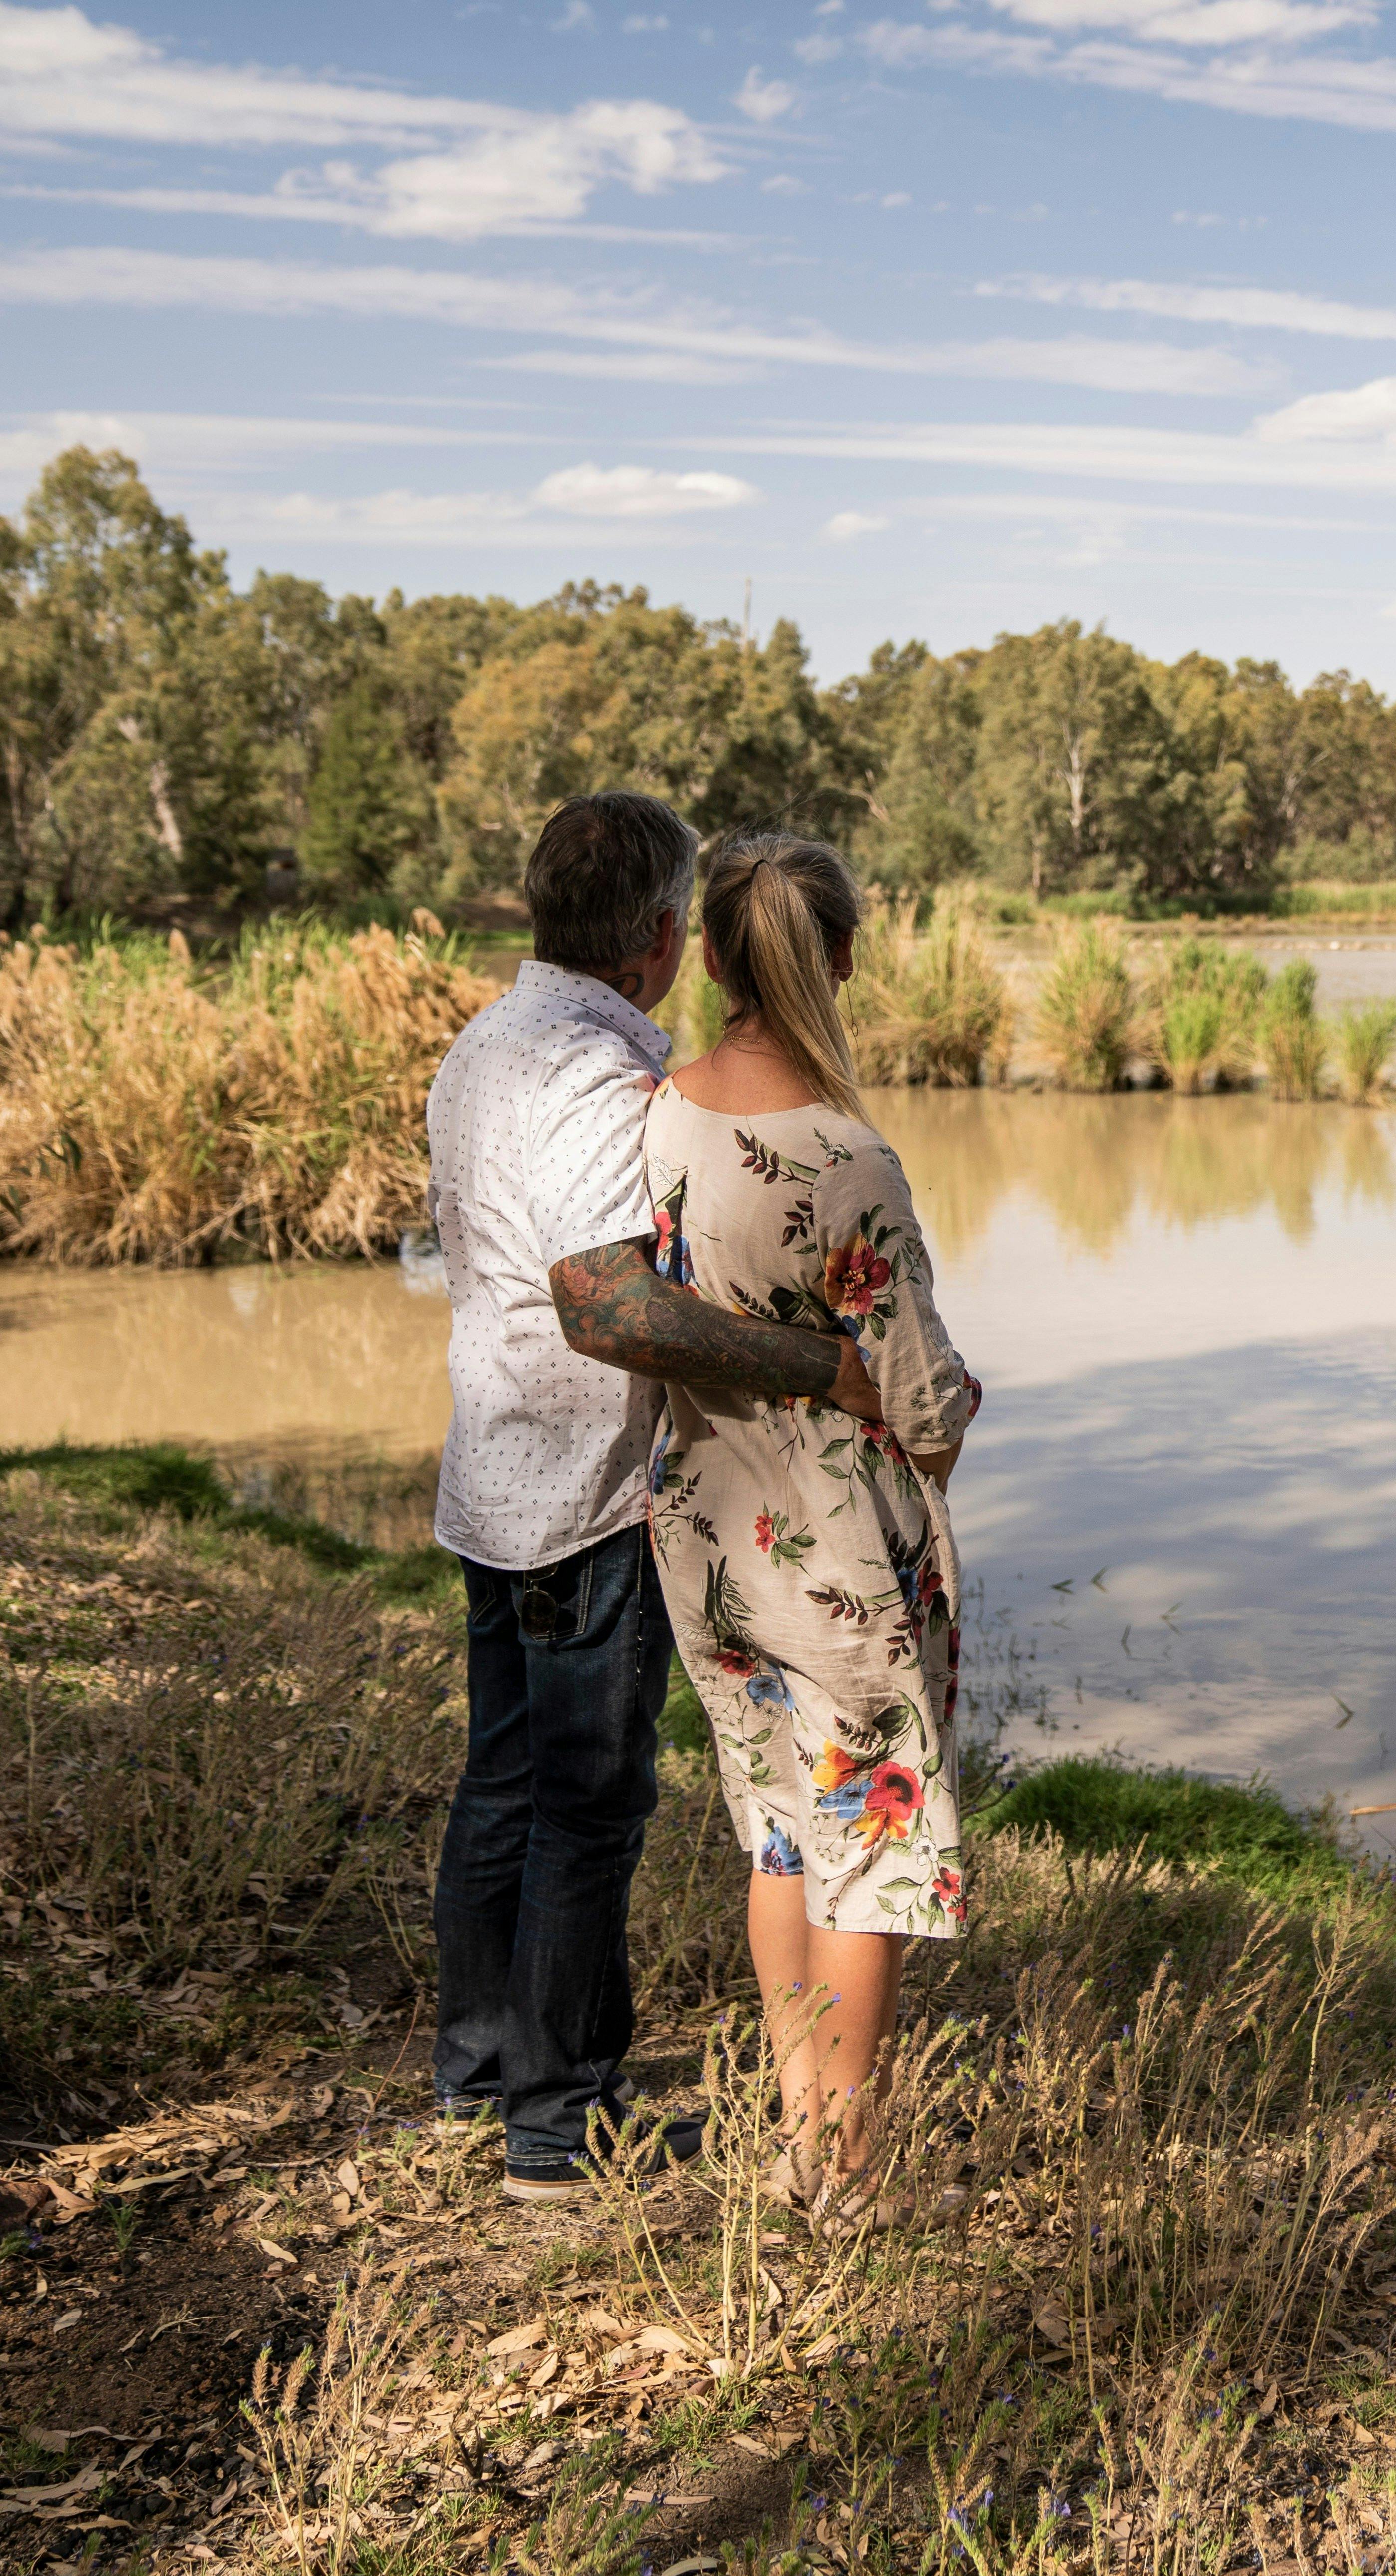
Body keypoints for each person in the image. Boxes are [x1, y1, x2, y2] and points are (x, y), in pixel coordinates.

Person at [424, 790, 882, 2209]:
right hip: (577, 1494)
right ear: (665, 936)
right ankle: (561, 2130)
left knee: (508, 1782)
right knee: (588, 1805)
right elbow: (606, 1307)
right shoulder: (578, 1071)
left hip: (501, 1480)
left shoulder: (498, 1039)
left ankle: (484, 2075)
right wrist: (821, 1363)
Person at [642, 831, 981, 2209]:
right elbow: (927, 1403)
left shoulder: (654, 1114)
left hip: (707, 1533)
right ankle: (844, 2173)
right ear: (841, 958)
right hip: (837, 1554)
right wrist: (958, 1395)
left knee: (781, 1826)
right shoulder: (849, 1158)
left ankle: (799, 2139)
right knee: (874, 1848)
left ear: (710, 952)